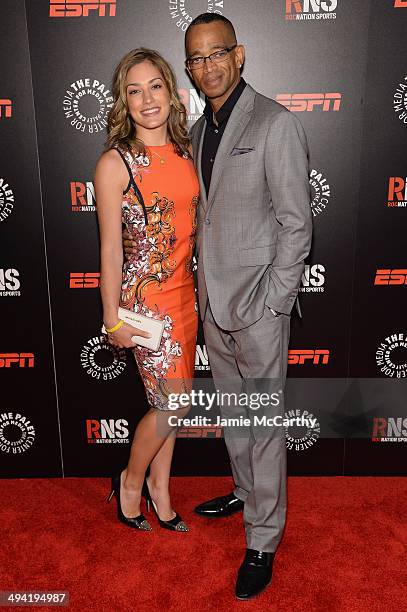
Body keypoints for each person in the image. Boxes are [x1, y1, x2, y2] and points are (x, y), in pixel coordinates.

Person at [124, 13, 312, 600]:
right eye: (196, 59)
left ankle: (262, 538)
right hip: (212, 306)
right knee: (236, 417)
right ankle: (243, 490)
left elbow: (295, 224)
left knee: (263, 426)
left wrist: (273, 301)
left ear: (240, 54)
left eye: (216, 54)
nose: (207, 67)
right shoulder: (201, 131)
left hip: (257, 308)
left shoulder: (275, 123)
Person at [95, 48, 199, 533]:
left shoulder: (187, 151)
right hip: (146, 304)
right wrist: (112, 317)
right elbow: (111, 251)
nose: (147, 99)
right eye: (134, 91)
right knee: (171, 403)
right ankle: (132, 481)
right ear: (124, 102)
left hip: (186, 296)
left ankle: (161, 488)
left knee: (173, 402)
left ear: (172, 93)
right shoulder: (116, 163)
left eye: (154, 86)